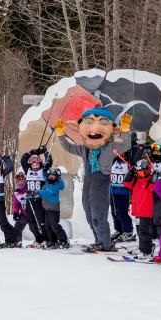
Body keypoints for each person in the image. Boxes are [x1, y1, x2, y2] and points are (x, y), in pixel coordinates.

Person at [55, 108, 132, 252]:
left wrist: (126, 130)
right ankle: (99, 240)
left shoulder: (109, 148)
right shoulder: (85, 149)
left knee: (98, 216)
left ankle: (106, 243)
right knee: (90, 217)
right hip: (88, 186)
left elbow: (126, 145)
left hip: (100, 185)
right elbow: (68, 147)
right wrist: (60, 134)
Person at [123, 159, 156, 259]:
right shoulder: (136, 180)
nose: (139, 174)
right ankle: (143, 247)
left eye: (141, 172)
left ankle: (147, 251)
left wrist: (156, 177)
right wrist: (130, 172)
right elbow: (125, 183)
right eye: (137, 173)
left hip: (145, 210)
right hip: (137, 210)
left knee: (143, 231)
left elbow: (154, 188)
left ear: (147, 171)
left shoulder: (150, 181)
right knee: (139, 231)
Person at [20, 147, 53, 246]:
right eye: (33, 164)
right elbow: (23, 159)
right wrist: (34, 152)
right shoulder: (28, 170)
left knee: (40, 220)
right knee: (31, 222)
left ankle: (46, 238)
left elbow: (49, 162)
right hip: (29, 199)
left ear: (40, 164)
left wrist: (46, 153)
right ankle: (38, 238)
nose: (35, 166)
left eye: (37, 164)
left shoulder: (43, 171)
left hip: (39, 198)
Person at [33, 167, 69, 248]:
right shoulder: (48, 183)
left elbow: (45, 193)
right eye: (49, 176)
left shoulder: (55, 186)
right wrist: (45, 168)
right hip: (47, 208)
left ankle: (64, 241)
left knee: (55, 226)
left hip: (53, 209)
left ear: (57, 177)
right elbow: (44, 174)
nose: (50, 177)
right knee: (47, 227)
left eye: (53, 176)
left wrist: (36, 192)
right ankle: (53, 241)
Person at [109, 151, 135, 243]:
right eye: (120, 153)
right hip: (113, 191)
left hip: (124, 191)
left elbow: (134, 155)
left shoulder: (128, 162)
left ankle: (128, 231)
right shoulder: (114, 161)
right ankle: (118, 230)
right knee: (114, 212)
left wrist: (135, 145)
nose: (121, 155)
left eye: (123, 154)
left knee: (122, 212)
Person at [12, 172, 28, 247]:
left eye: (22, 181)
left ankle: (41, 240)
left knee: (34, 228)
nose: (20, 183)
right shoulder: (17, 192)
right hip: (24, 214)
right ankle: (18, 242)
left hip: (33, 213)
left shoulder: (29, 189)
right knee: (17, 226)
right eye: (18, 181)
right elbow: (16, 204)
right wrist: (16, 213)